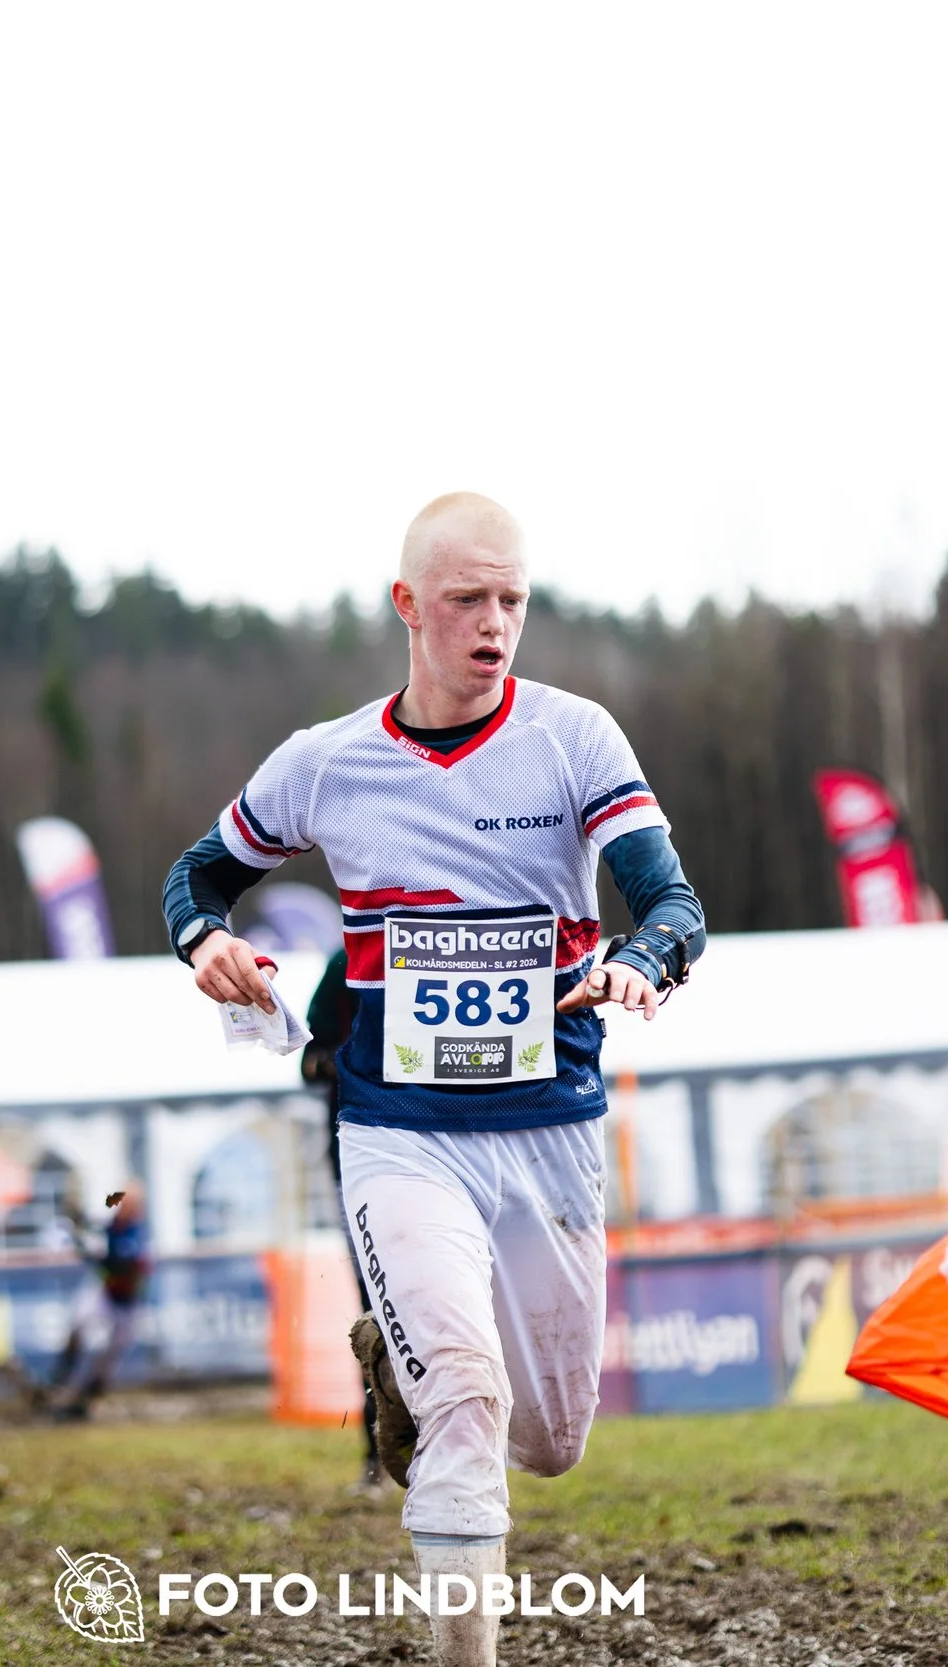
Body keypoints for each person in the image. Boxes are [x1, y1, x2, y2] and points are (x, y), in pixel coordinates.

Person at [162, 492, 705, 1667]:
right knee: (469, 1397)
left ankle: (396, 1368)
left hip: (550, 1124)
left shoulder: (574, 737)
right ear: (408, 605)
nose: (494, 623)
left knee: (550, 1438)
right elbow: (198, 873)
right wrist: (204, 941)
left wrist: (637, 960)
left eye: (512, 599)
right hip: (396, 1124)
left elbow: (672, 901)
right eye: (467, 599)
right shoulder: (327, 761)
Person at [303, 946, 386, 1487]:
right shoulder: (345, 963)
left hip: (445, 1153)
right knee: (375, 1311)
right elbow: (312, 1062)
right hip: (358, 1168)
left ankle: (466, 1444)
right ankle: (377, 1451)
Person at [43, 1185, 151, 1421]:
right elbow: (88, 1241)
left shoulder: (136, 1233)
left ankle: (85, 1400)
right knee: (79, 1326)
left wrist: (95, 1251)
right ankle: (58, 1383)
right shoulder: (108, 1226)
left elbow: (122, 1263)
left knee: (110, 1354)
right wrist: (78, 1227)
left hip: (126, 1300)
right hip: (104, 1291)